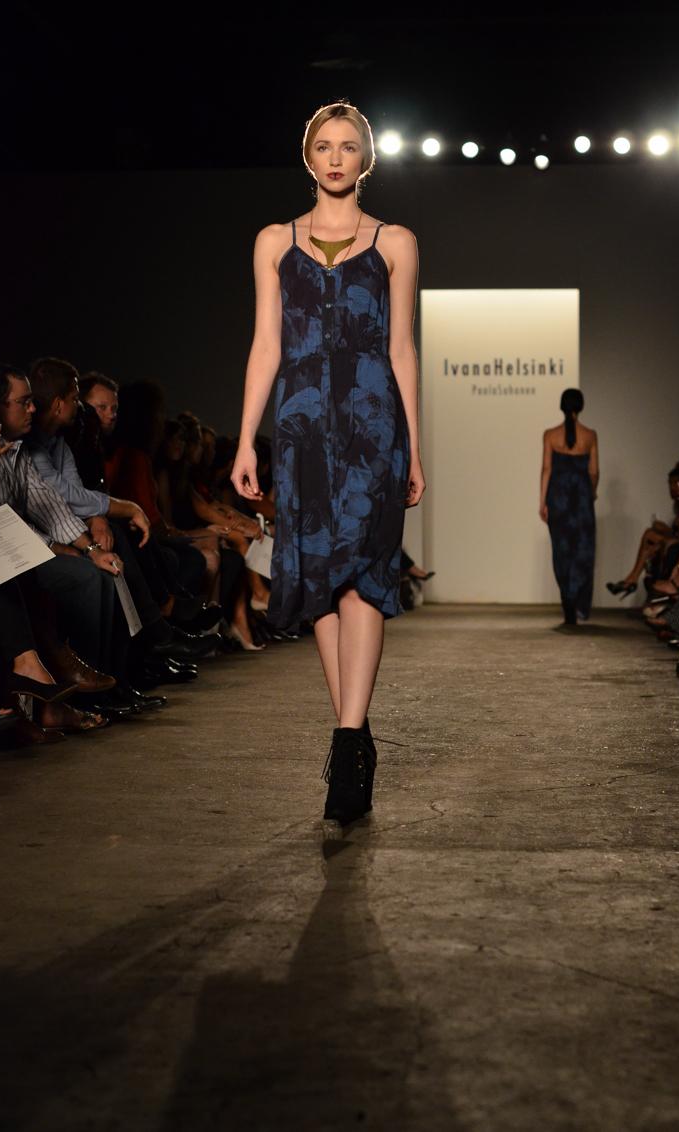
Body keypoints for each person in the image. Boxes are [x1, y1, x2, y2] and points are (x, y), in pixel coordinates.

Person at [231, 101, 424, 824]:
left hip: (374, 427)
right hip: (302, 429)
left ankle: (346, 746)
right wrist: (246, 440)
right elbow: (266, 346)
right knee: (318, 575)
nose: (336, 158)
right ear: (308, 156)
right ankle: (355, 733)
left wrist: (415, 447)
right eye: (324, 146)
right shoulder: (273, 242)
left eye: (349, 146)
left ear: (365, 159)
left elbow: (402, 349)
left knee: (362, 575)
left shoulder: (396, 242)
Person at [540, 388, 597, 625]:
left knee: (562, 550)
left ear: (562, 406)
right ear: (580, 406)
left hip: (559, 498)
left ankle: (567, 600)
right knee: (582, 549)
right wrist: (591, 493)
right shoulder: (590, 435)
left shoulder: (550, 435)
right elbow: (594, 471)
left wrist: (543, 501)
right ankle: (575, 595)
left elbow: (547, 469)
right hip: (581, 498)